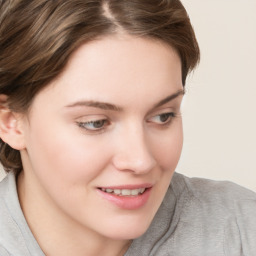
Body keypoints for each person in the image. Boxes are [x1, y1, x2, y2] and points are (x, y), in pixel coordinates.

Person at [0, 0, 255, 255]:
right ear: (10, 121)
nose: (141, 161)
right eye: (95, 123)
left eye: (163, 116)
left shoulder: (243, 230)